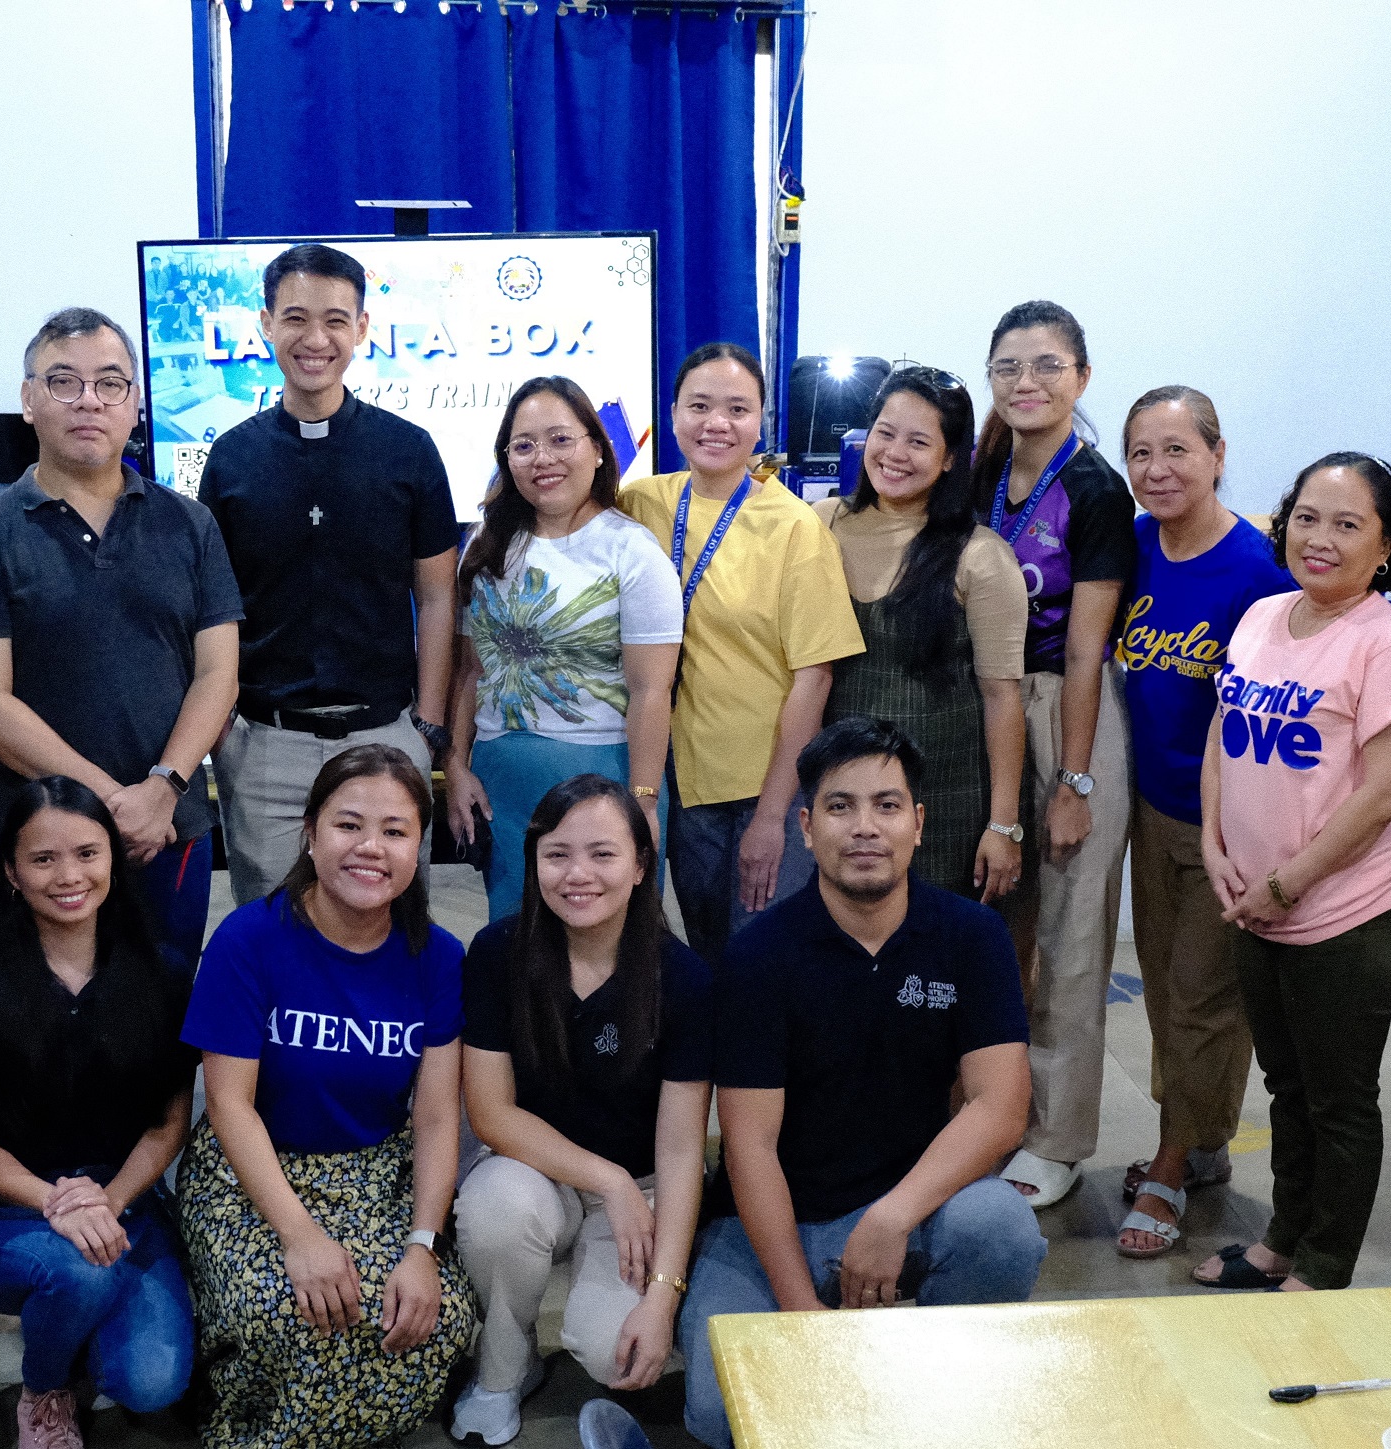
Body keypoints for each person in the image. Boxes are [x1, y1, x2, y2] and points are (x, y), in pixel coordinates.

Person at [679, 717, 1044, 1448]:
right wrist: (801, 1314)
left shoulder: (971, 937)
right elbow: (750, 1147)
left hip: (912, 1209)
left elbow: (1002, 1107)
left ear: (919, 823)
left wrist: (892, 1217)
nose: (865, 827)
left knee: (1001, 1228)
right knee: (724, 1413)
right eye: (840, 806)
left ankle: (930, 1406)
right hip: (772, 1227)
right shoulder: (758, 956)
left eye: (887, 805)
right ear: (807, 828)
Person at [178, 745, 479, 1448]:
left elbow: (438, 1117)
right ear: (310, 833)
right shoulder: (249, 939)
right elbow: (228, 1106)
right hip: (252, 1169)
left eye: (395, 831)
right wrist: (300, 1235)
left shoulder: (437, 957)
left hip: (376, 1169)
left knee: (433, 1316)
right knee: (286, 1310)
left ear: (418, 848)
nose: (370, 847)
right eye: (348, 825)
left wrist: (423, 1246)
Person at [1187, 453, 1391, 1293]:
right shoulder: (1263, 615)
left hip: (1346, 915)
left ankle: (1325, 1268)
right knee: (1287, 1087)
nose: (1320, 538)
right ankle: (1280, 1241)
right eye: (1307, 517)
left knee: (1338, 1100)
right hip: (1255, 904)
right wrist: (1215, 844)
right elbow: (1224, 732)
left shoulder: (1389, 644)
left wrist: (1288, 882)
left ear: (1386, 547)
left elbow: (1388, 790)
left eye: (1347, 524)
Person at [0, 306, 242, 969]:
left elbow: (218, 674)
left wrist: (162, 788)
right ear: (28, 400)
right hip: (40, 844)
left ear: (134, 403)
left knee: (164, 1013)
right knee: (35, 1018)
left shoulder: (191, 525)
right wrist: (110, 803)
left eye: (110, 383)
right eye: (63, 382)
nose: (89, 401)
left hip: (167, 829)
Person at [450, 777, 711, 1443]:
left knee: (615, 1352)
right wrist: (607, 1180)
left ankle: (619, 1302)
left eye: (602, 854)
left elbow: (683, 1148)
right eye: (557, 854)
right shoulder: (497, 953)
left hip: (643, 1186)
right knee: (497, 1210)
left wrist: (663, 1294)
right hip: (533, 1169)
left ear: (641, 865)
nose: (577, 875)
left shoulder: (683, 978)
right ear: (533, 861)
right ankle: (504, 1370)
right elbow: (490, 1112)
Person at [201, 244, 460, 901]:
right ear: (266, 324)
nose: (315, 339)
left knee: (388, 924)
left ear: (362, 328)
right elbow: (212, 611)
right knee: (273, 930)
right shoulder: (231, 459)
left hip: (386, 738)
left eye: (336, 320)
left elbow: (437, 597)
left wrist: (428, 726)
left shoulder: (409, 452)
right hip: (265, 746)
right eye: (295, 318)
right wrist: (224, 734)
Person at [0, 777, 197, 1449]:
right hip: (8, 1209)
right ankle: (45, 1388)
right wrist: (59, 1203)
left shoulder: (165, 974)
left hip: (125, 1201)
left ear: (113, 858)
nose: (68, 876)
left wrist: (108, 1201)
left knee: (152, 1381)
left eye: (88, 853)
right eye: (43, 858)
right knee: (79, 1272)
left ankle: (79, 1328)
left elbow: (168, 1124)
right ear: (10, 871)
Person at [1104, 385, 1295, 1259]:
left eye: (1177, 449)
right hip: (1153, 808)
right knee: (1163, 989)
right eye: (1140, 452)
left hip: (1229, 822)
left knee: (1203, 1001)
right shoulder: (1137, 546)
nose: (1157, 469)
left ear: (1219, 455)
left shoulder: (1259, 574)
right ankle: (1203, 1137)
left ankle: (1173, 1164)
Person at [968, 303, 1139, 1211]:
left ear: (1082, 376)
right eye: (1008, 367)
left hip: (1069, 706)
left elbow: (1084, 649)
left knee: (1072, 934)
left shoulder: (1097, 489)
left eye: (1046, 365)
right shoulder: (985, 469)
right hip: (987, 700)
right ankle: (992, 1110)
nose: (1025, 382)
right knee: (995, 923)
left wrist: (1074, 781)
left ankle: (1057, 1136)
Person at [614, 343, 864, 961]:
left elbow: (815, 677)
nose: (716, 424)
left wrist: (772, 818)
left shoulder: (795, 527)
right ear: (673, 415)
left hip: (759, 785)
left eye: (737, 409)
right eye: (699, 406)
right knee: (704, 956)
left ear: (760, 423)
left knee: (762, 962)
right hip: (673, 778)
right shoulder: (642, 503)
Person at [445, 377, 683, 921]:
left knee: (604, 935)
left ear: (597, 448)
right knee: (515, 934)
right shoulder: (485, 545)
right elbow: (470, 673)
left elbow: (651, 690)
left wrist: (644, 801)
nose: (542, 458)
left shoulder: (632, 551)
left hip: (603, 778)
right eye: (523, 445)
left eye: (560, 440)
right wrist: (456, 766)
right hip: (500, 781)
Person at [813, 368, 1028, 907]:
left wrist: (1003, 825)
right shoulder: (820, 526)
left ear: (950, 457)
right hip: (844, 799)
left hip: (947, 799)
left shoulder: (981, 556)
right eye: (885, 433)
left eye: (918, 441)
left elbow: (1002, 699)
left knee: (936, 944)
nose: (894, 454)